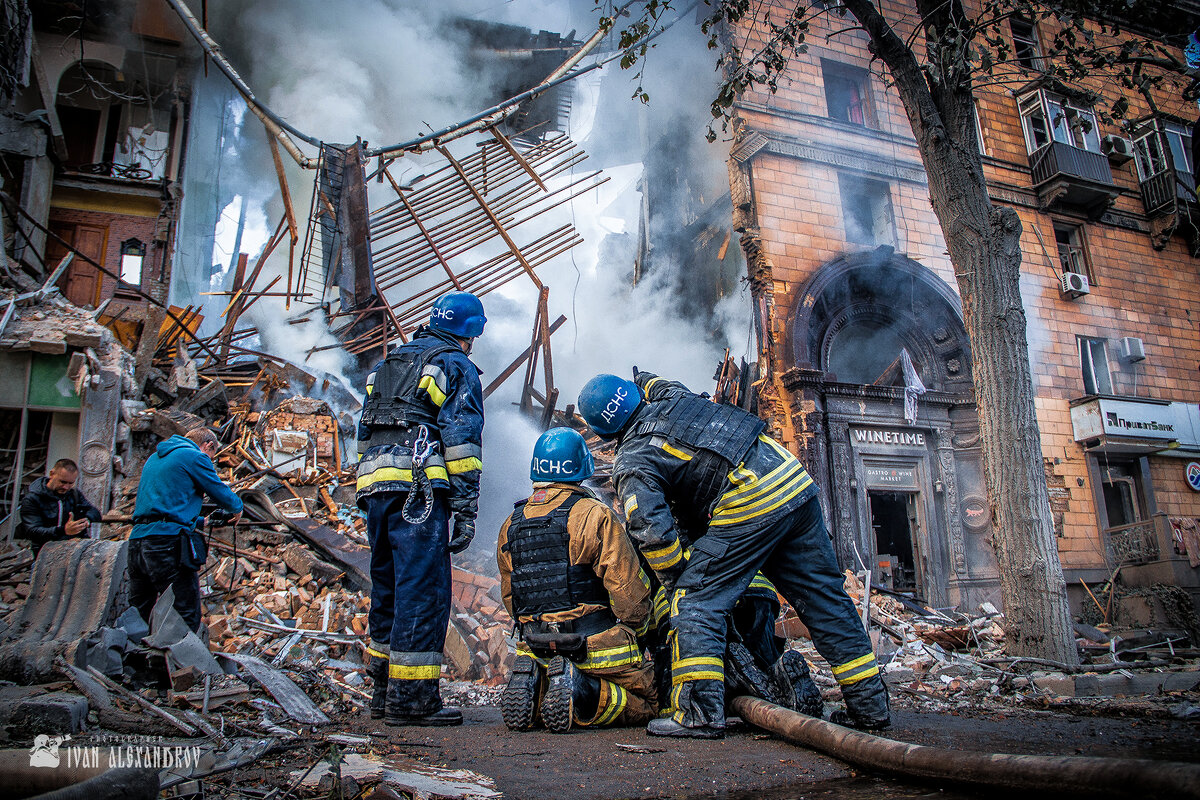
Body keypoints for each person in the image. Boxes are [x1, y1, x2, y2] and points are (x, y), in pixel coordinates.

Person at [577, 371, 890, 739]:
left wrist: (681, 581)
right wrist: (641, 377)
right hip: (793, 482)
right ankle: (871, 710)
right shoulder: (675, 397)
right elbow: (656, 381)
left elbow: (654, 535)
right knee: (826, 601)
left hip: (750, 500)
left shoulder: (632, 458)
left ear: (603, 431)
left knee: (694, 603)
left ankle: (700, 713)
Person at [355, 291, 486, 727]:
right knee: (422, 589)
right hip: (418, 489)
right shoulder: (454, 365)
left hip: (374, 487)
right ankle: (412, 701)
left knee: (387, 586)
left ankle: (382, 691)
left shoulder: (387, 364)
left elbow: (363, 430)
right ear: (470, 334)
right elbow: (462, 442)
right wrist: (466, 507)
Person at [496, 427, 658, 733]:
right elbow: (628, 593)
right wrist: (638, 630)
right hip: (592, 644)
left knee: (552, 701)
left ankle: (538, 688)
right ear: (582, 467)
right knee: (650, 702)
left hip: (535, 644)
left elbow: (511, 597)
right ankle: (581, 688)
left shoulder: (510, 524)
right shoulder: (595, 515)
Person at [129, 427, 243, 632]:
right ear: (208, 445)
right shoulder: (194, 456)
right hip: (167, 544)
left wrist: (201, 522)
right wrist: (237, 509)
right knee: (184, 612)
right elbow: (219, 491)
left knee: (139, 612)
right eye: (212, 456)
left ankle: (131, 659)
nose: (211, 461)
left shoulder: (155, 458)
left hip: (138, 541)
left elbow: (162, 505)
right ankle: (182, 663)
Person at [18, 459, 103, 555]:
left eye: (70, 483)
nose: (66, 487)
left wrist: (86, 520)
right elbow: (32, 531)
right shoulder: (32, 499)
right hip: (45, 553)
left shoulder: (74, 494)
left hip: (73, 551)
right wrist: (64, 531)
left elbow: (95, 512)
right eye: (62, 482)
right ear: (52, 474)